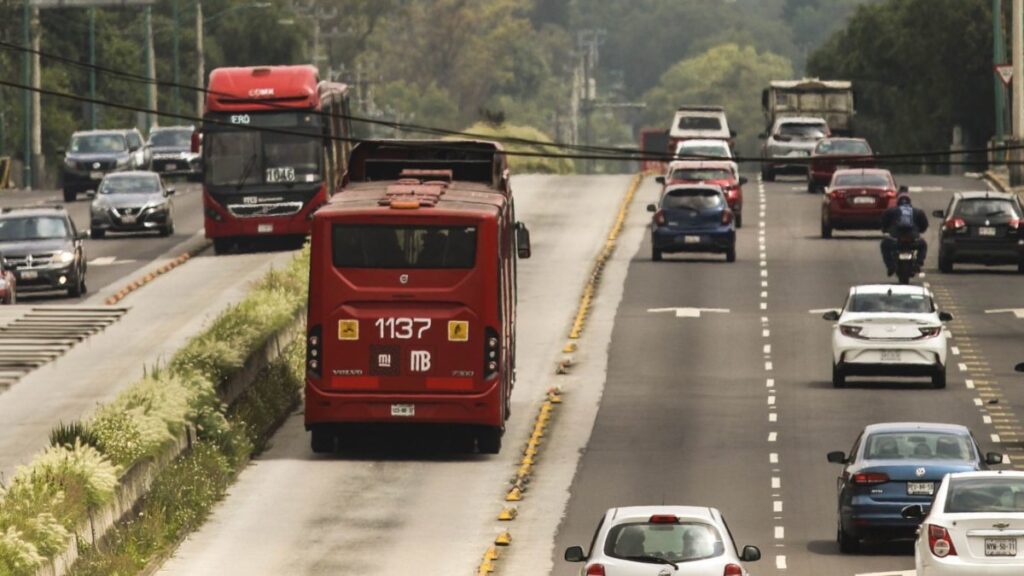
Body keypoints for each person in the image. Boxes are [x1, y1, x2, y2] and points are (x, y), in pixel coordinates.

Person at [880, 190, 929, 276]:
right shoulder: (917, 211)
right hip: (912, 240)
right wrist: (919, 231)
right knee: (923, 245)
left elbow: (883, 222)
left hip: (896, 240)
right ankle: (918, 264)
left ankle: (890, 266)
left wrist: (885, 229)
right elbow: (924, 225)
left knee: (884, 244)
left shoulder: (890, 211)